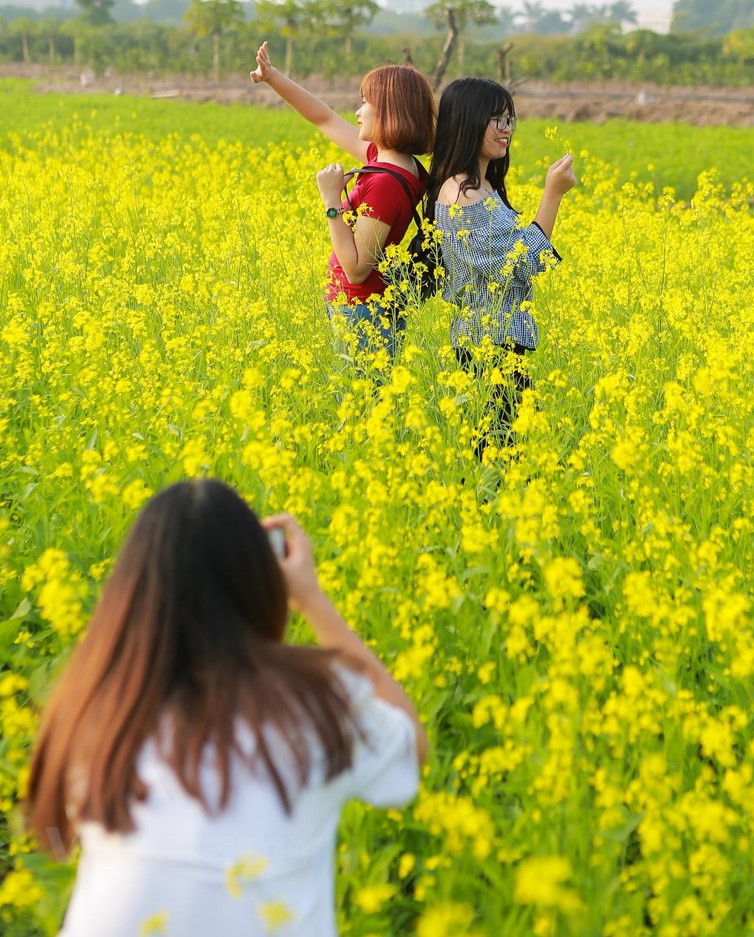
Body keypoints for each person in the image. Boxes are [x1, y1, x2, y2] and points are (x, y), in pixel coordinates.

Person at [28, 480, 427, 937]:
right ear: (259, 584)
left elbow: (56, 843)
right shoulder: (318, 704)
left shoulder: (97, 707)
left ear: (133, 590)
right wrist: (312, 600)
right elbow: (411, 745)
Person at [251, 43, 436, 361]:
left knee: (361, 406)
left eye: (366, 103)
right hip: (361, 309)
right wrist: (273, 77)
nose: (358, 112)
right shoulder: (389, 161)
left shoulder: (385, 183)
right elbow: (323, 118)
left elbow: (356, 269)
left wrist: (330, 200)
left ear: (390, 111)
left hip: (363, 313)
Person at [425, 76, 575, 454]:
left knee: (510, 461)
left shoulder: (480, 185)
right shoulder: (464, 194)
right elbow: (521, 264)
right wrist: (552, 194)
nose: (506, 129)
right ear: (468, 121)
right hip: (487, 347)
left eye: (510, 119)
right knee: (500, 464)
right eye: (496, 119)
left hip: (494, 343)